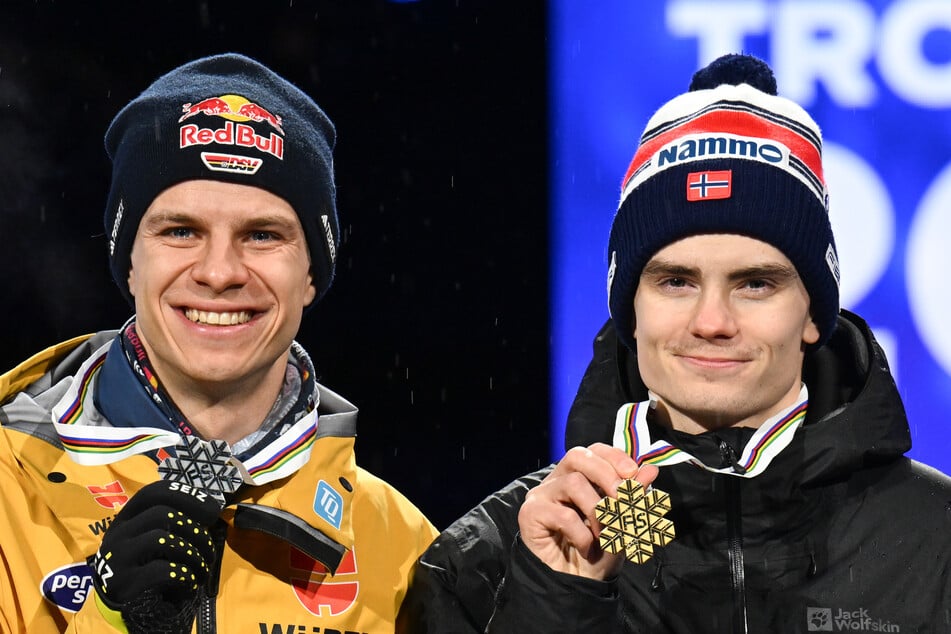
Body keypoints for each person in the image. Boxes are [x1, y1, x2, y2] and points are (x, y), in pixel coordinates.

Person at [398, 54, 951, 632]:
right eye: (676, 281)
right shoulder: (489, 560)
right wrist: (554, 604)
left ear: (812, 312)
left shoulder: (937, 538)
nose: (711, 321)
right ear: (629, 311)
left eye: (755, 283)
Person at [0, 53, 437, 634]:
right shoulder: (8, 495)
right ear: (129, 261)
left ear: (312, 274)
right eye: (181, 231)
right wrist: (107, 620)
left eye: (262, 234)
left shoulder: (401, 545)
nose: (219, 272)